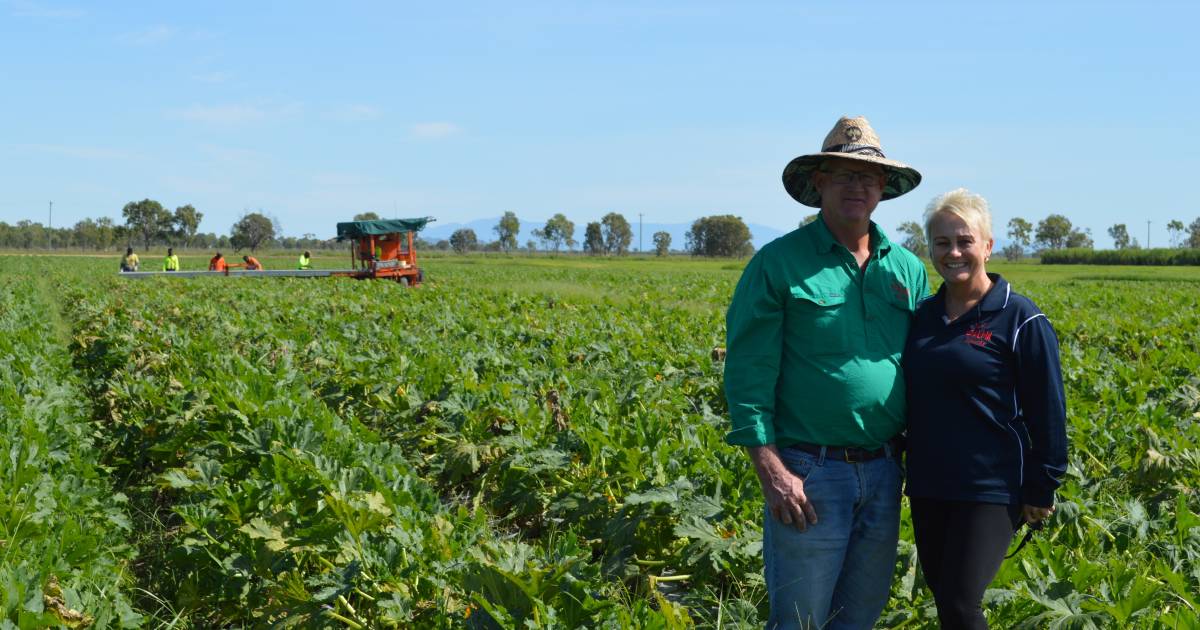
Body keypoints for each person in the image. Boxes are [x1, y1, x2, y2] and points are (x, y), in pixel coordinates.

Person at [724, 116, 927, 629]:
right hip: (809, 472)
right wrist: (771, 470)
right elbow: (749, 373)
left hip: (884, 470)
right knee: (800, 620)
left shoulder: (907, 268)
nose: (857, 185)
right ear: (819, 183)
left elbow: (932, 367)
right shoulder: (778, 264)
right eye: (843, 173)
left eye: (868, 176)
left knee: (858, 617)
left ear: (883, 186)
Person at [903, 189, 1068, 629]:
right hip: (929, 482)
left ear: (988, 245)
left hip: (992, 486)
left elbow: (1048, 410)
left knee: (960, 601)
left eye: (964, 241)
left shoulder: (1020, 319)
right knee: (944, 596)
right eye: (942, 243)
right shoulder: (921, 317)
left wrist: (1043, 484)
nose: (953, 252)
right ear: (930, 248)